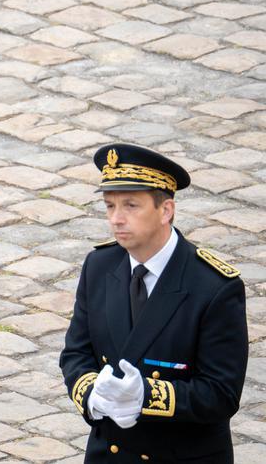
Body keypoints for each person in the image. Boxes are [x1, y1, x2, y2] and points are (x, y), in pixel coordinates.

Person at [60, 144, 248, 462]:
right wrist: (95, 394)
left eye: (131, 206)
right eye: (109, 206)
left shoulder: (214, 287)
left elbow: (221, 393)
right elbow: (76, 354)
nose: (116, 219)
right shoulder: (100, 266)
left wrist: (145, 396)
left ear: (166, 210)